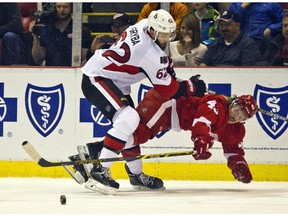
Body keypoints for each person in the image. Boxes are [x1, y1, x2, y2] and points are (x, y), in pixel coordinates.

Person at [78, 9, 206, 195]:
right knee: (129, 118)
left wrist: (171, 74)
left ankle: (135, 174)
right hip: (97, 77)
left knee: (132, 123)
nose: (167, 38)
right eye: (162, 34)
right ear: (153, 31)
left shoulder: (145, 24)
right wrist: (192, 87)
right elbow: (169, 90)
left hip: (114, 78)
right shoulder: (148, 52)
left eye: (170, 33)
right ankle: (100, 169)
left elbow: (164, 69)